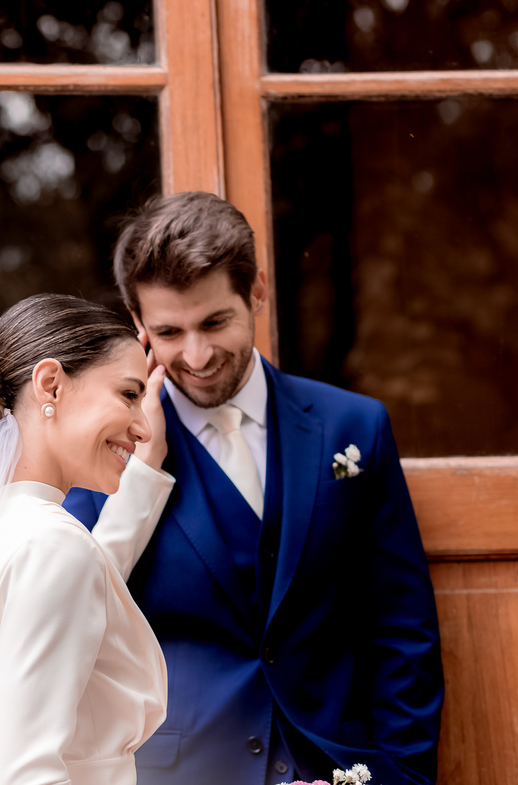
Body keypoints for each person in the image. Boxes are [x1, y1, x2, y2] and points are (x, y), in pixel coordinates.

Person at [64, 192, 444, 785]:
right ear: (137, 324)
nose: (197, 354)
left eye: (215, 322)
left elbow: (401, 626)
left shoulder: (354, 428)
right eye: (169, 330)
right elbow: (77, 619)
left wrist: (405, 774)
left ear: (257, 293)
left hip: (340, 765)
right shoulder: (101, 454)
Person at [0, 293, 178, 785]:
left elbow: (68, 593)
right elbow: (30, 774)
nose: (143, 426)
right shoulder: (51, 547)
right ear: (51, 384)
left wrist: (143, 477)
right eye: (128, 394)